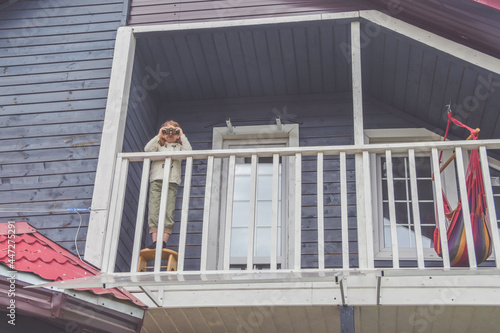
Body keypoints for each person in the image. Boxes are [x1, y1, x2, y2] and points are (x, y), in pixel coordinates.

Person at [144, 120, 192, 249]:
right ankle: (155, 241)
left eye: (174, 131)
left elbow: (188, 152)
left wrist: (181, 135)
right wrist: (160, 135)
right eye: (167, 131)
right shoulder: (158, 146)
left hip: (172, 181)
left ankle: (163, 242)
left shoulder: (179, 147)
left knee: (168, 212)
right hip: (157, 179)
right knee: (154, 210)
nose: (170, 134)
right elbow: (147, 150)